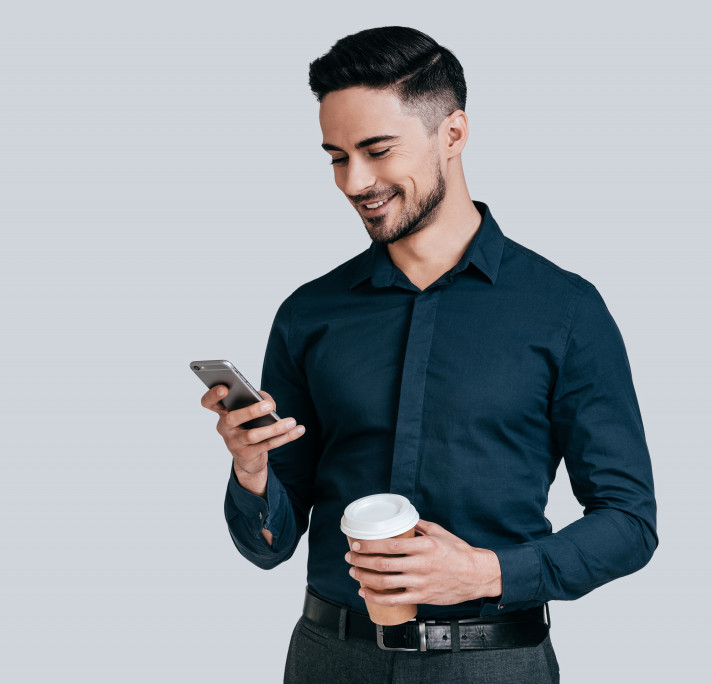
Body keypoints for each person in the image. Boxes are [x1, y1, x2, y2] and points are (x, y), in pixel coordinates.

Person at [200, 26, 658, 683]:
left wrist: (487, 571)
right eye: (336, 156)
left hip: (496, 663)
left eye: (377, 150)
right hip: (331, 660)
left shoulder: (565, 311)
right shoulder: (309, 315)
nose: (355, 181)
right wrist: (251, 472)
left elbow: (628, 523)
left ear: (453, 133)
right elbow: (268, 545)